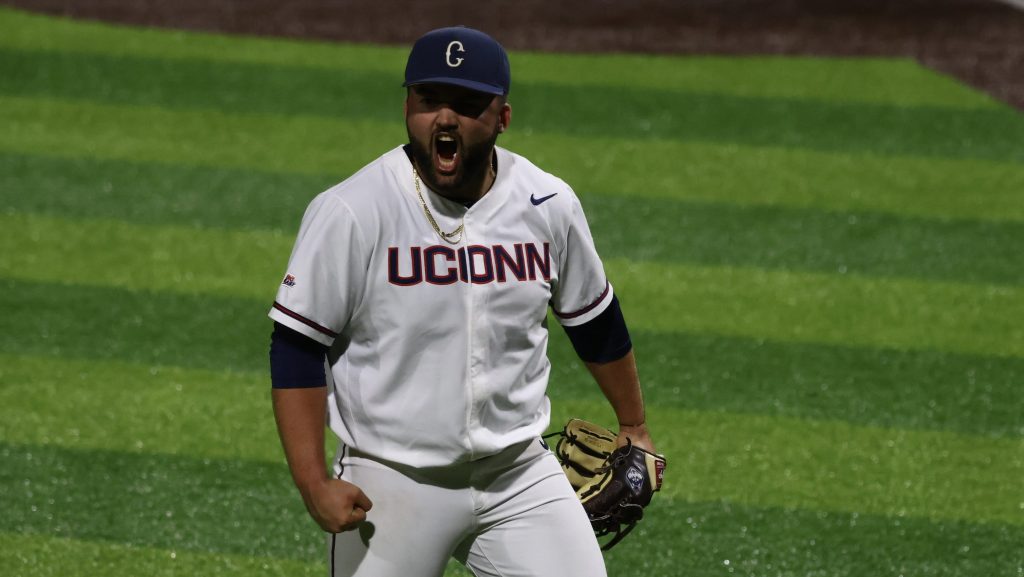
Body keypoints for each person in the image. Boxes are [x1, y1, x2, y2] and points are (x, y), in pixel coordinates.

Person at [268, 26, 657, 577]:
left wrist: (634, 424)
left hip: (519, 474)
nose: (444, 118)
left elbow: (593, 319)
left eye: (467, 104)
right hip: (391, 483)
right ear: (407, 104)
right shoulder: (353, 210)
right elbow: (297, 348)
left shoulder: (546, 202)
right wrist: (312, 482)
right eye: (429, 100)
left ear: (502, 117)